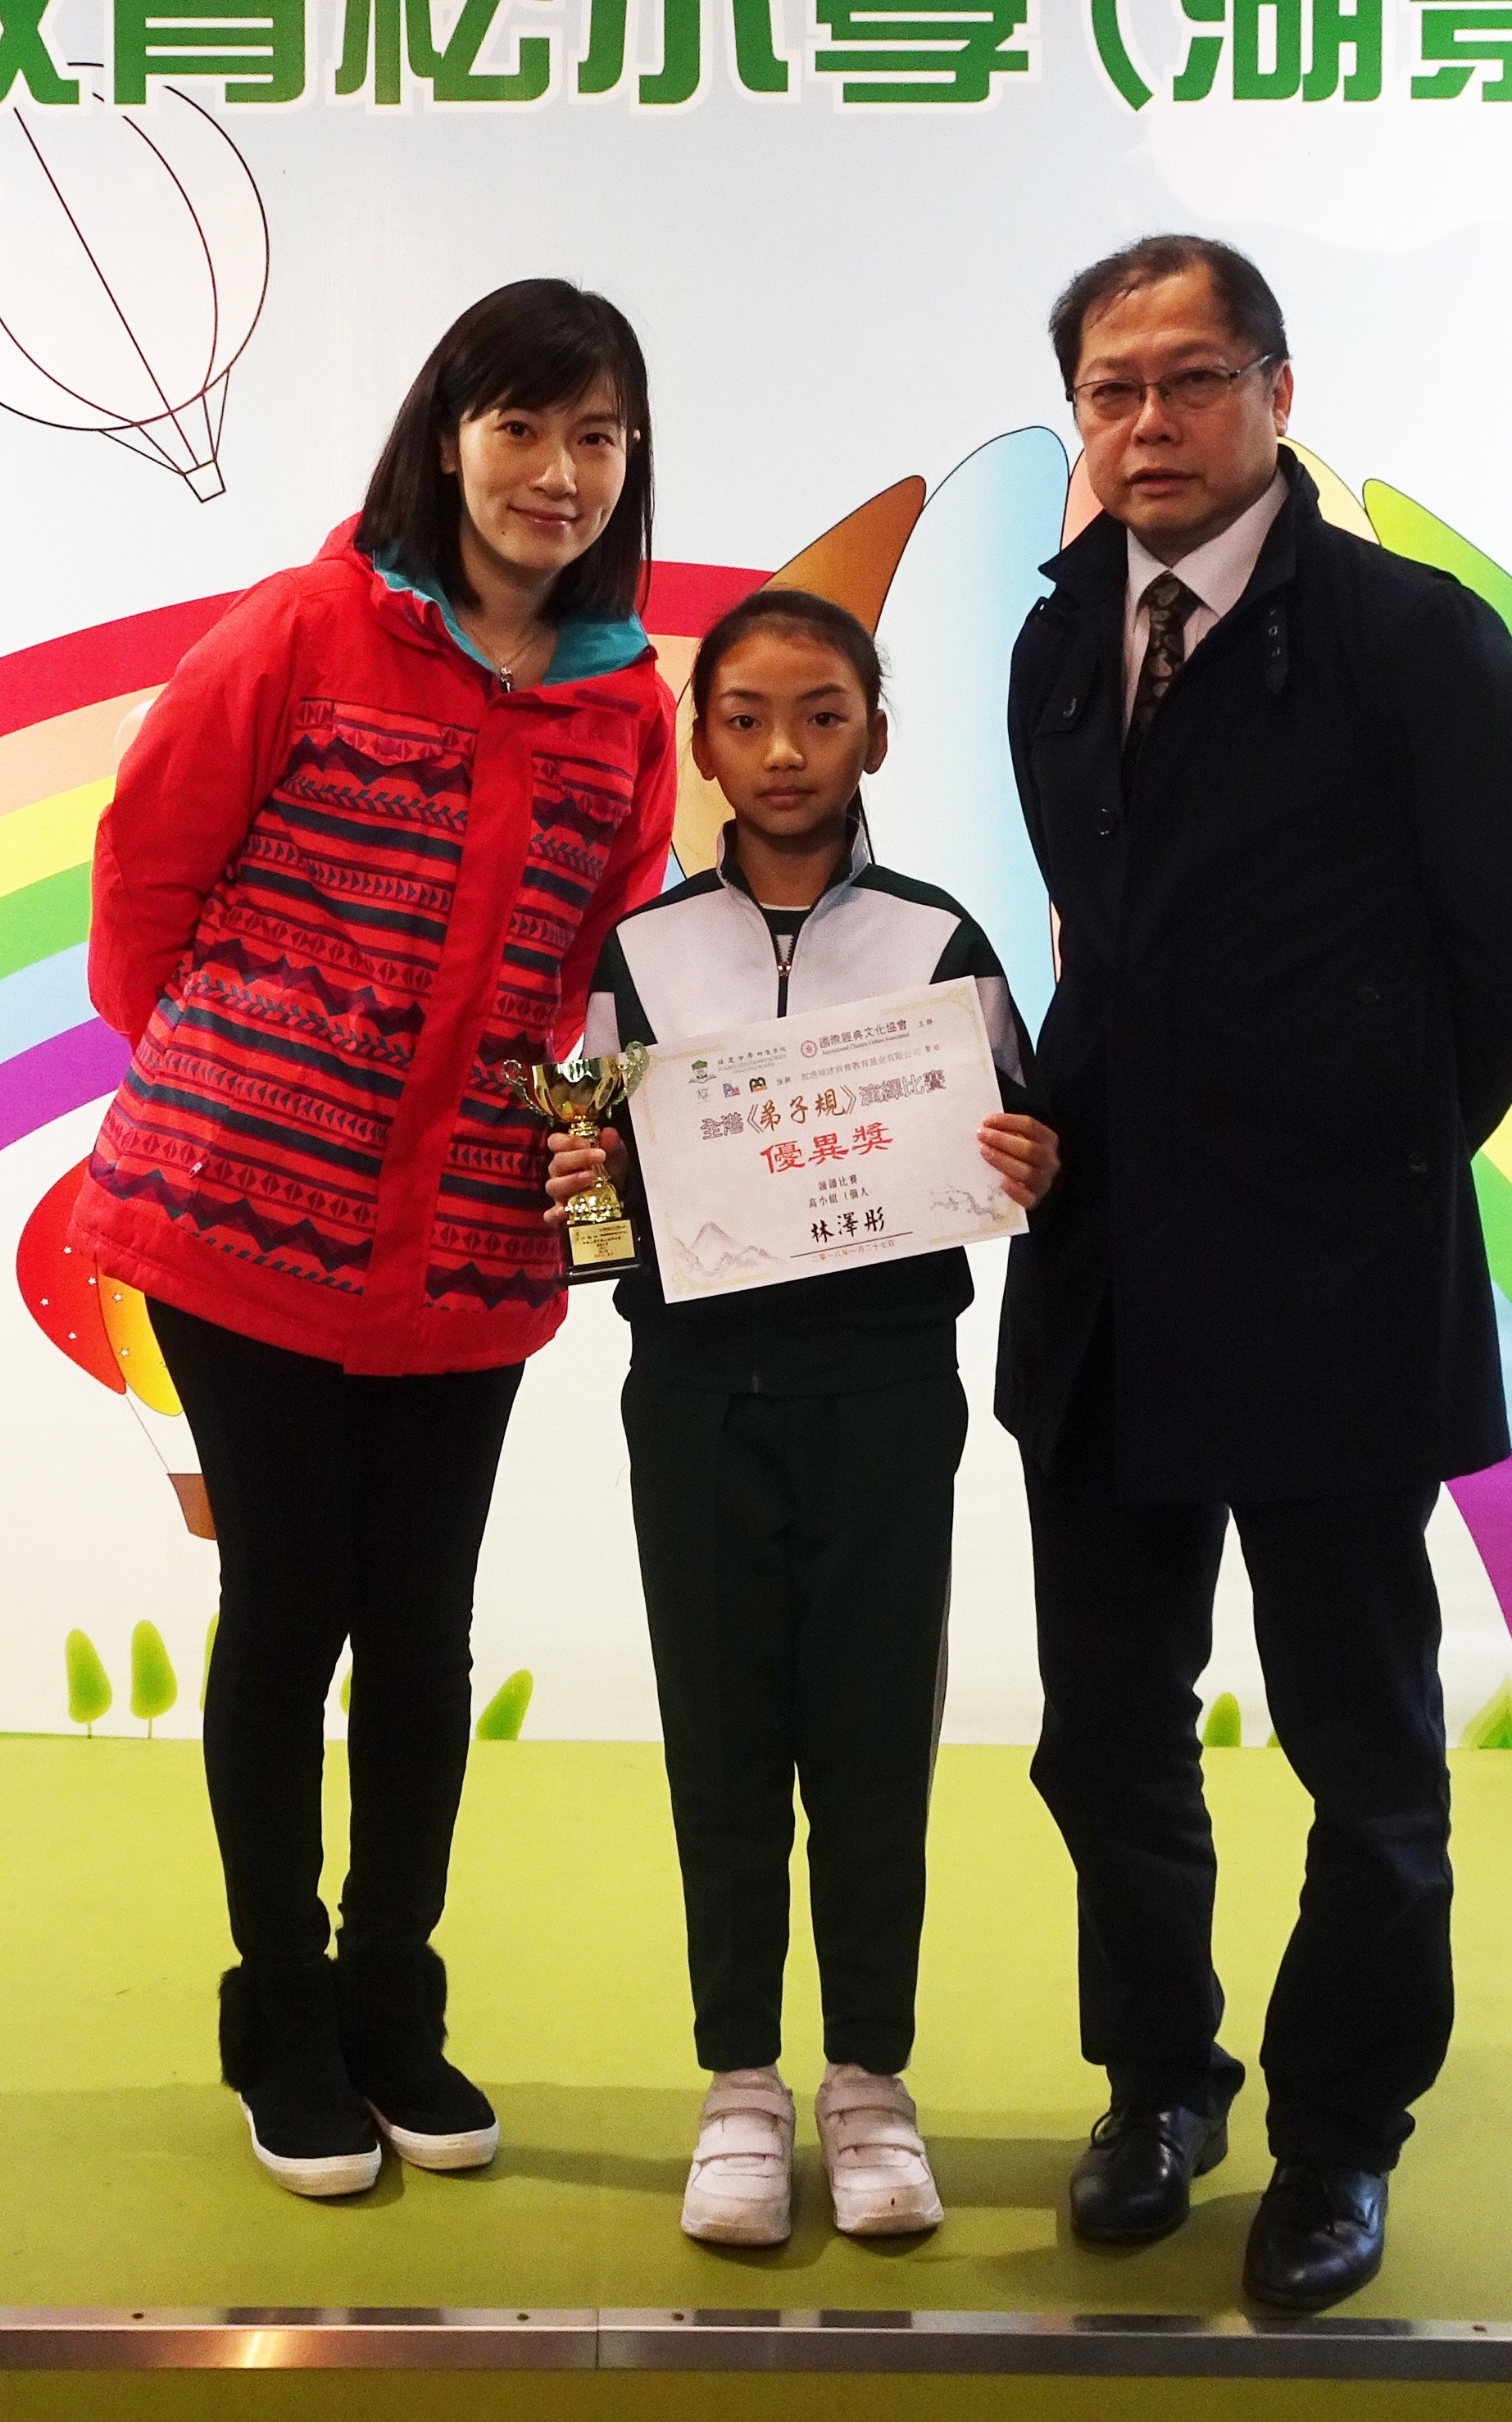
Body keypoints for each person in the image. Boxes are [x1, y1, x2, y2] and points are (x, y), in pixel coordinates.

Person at [1000, 234, 1512, 2315]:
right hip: (1106, 1277)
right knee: (1106, 1733)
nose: (1147, 424)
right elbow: (1099, 939)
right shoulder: (1055, 641)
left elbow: (1507, 960)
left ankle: (1340, 2137)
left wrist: (1371, 1163)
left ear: (1277, 393)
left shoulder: (1414, 638)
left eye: (1188, 380)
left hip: (1336, 1277)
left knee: (1363, 1741)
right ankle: (1159, 2085)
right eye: (1110, 390)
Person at [75, 277, 679, 2202]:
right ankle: (282, 2018)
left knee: (423, 1634)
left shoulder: (624, 703)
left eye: (598, 437)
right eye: (522, 427)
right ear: (445, 435)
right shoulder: (303, 627)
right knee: (291, 1609)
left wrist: (589, 1156)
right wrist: (244, 1081)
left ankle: (392, 2003)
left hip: (475, 1237)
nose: (558, 471)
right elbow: (143, 883)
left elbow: (609, 966)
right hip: (244, 1215)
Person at [536, 590, 1059, 2247]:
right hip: (695, 1401)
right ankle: (741, 2087)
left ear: (876, 736)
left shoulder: (939, 941)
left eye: (823, 715)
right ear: (702, 743)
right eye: (748, 717)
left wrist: (1034, 1158)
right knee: (724, 1747)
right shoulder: (640, 954)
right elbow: (592, 1194)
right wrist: (582, 1181)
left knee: (872, 1743)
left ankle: (871, 2082)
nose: (785, 751)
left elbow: (1024, 1143)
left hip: (890, 1396)